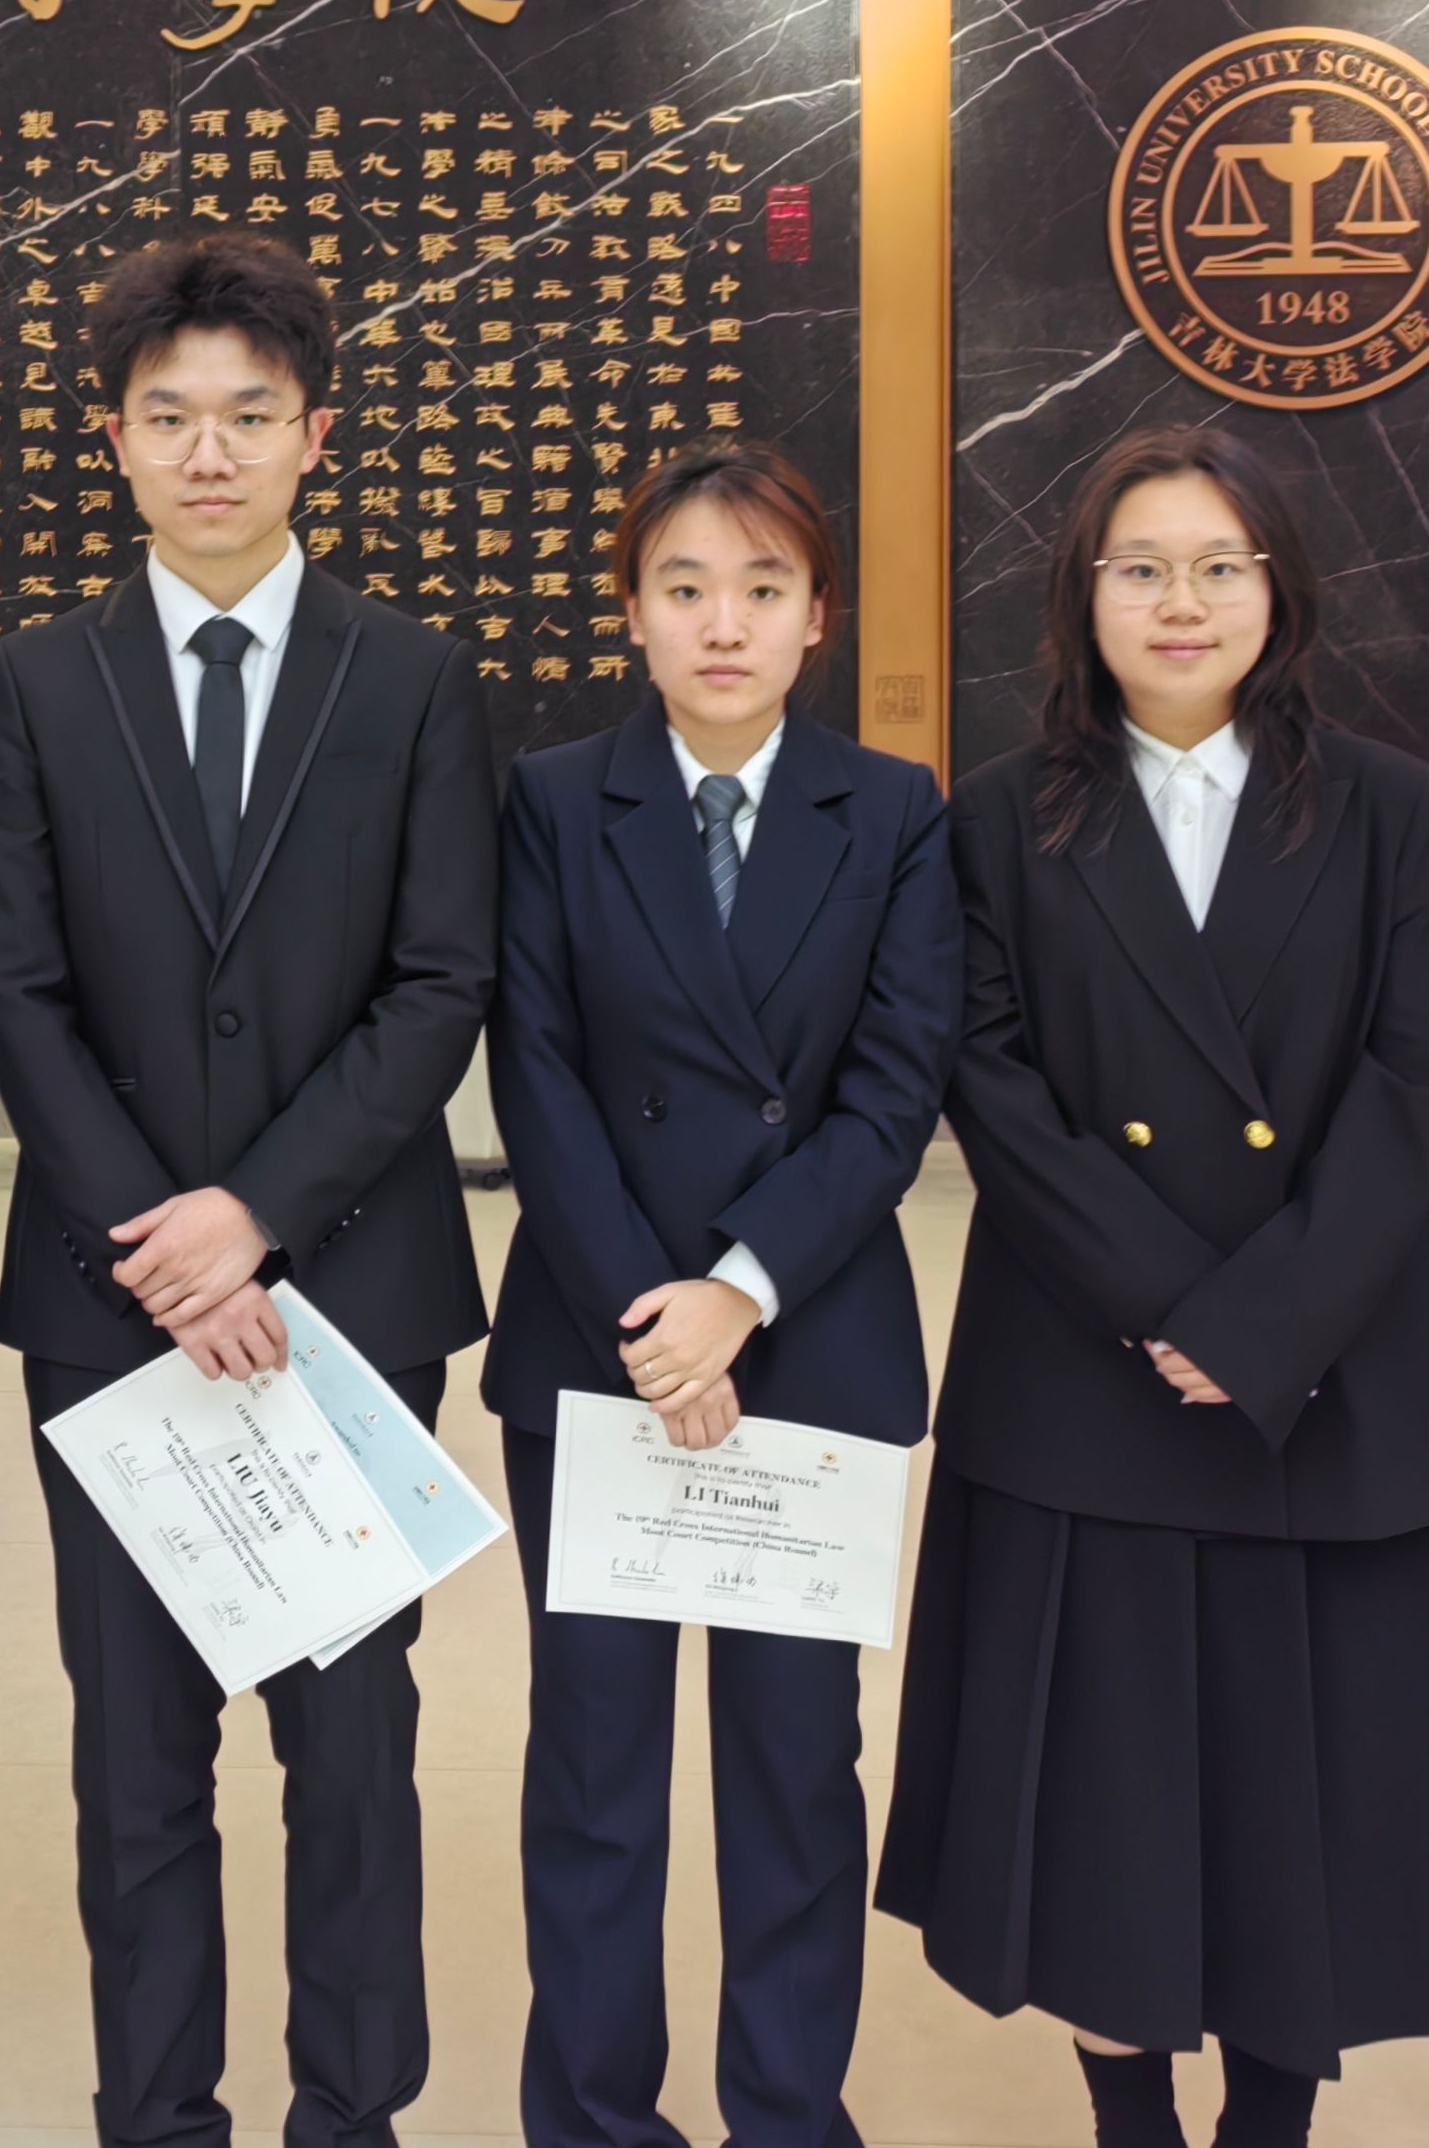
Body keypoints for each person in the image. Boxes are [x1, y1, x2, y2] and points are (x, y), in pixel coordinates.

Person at [878, 425, 1429, 2148]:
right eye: (1142, 569)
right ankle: (1132, 2123)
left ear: (1278, 591)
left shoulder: (1389, 804)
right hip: (1086, 1363)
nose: (1182, 601)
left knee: (1303, 1787)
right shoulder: (999, 815)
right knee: (1106, 1794)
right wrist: (1164, 1301)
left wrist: (1257, 1324)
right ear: (1081, 596)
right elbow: (988, 1079)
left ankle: (1269, 2124)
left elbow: (1418, 1077)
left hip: (1328, 1364)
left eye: (1219, 566)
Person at [0, 231, 499, 2148]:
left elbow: (442, 978)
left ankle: (351, 2114)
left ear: (316, 436)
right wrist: (166, 1245)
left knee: (353, 1749)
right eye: (171, 417)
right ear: (114, 438)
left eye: (250, 417)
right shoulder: (37, 683)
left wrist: (254, 1215)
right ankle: (159, 2115)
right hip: (107, 1304)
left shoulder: (413, 676)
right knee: (136, 1758)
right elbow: (13, 985)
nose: (210, 453)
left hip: (351, 1291)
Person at [483, 443, 958, 2148]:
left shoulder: (892, 810)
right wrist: (655, 1318)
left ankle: (786, 2113)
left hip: (807, 1343)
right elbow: (536, 1074)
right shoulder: (553, 799)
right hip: (599, 1348)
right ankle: (593, 2120)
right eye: (685, 589)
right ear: (633, 612)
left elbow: (896, 1088)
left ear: (818, 614)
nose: (724, 624)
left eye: (763, 589)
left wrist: (740, 1291)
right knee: (595, 1772)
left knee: (794, 1771)